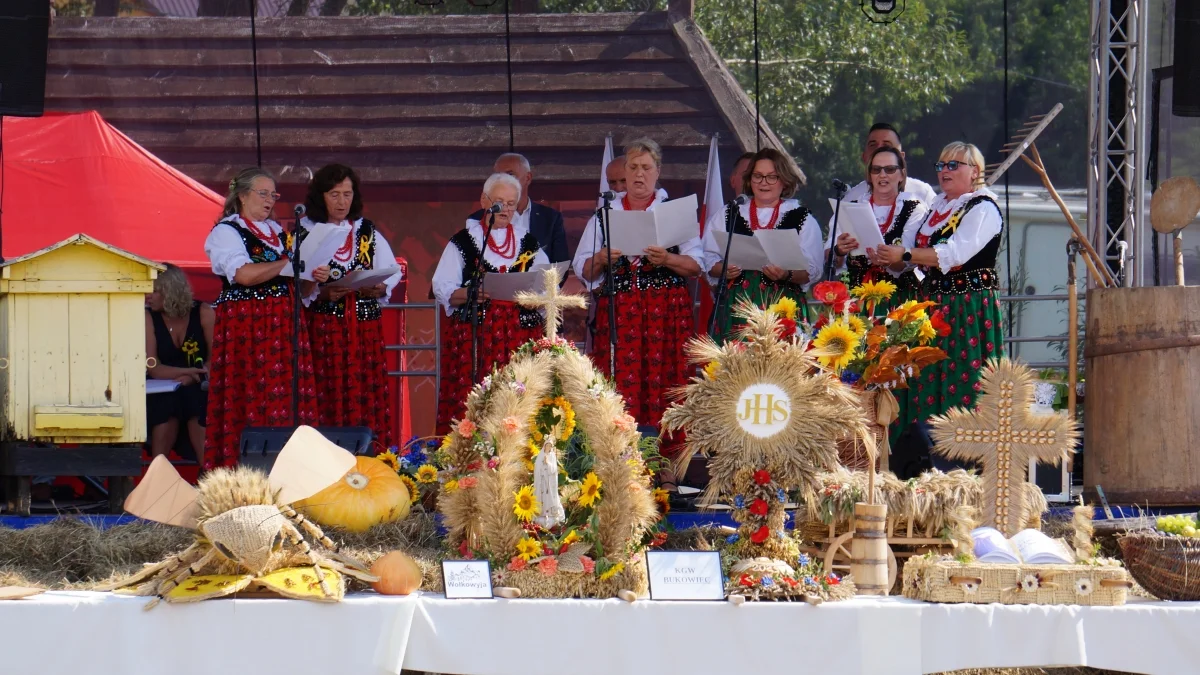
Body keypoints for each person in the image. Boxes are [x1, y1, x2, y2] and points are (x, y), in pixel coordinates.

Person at [869, 141, 1005, 427]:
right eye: (941, 165)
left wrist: (905, 254)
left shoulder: (983, 208)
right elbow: (913, 257)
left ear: (975, 171)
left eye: (954, 165)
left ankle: (960, 459)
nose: (945, 171)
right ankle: (920, 455)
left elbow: (954, 254)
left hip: (966, 306)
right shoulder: (937, 207)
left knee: (962, 378)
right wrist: (885, 256)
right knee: (925, 378)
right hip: (932, 305)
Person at [203, 167, 330, 469]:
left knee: (288, 397)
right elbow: (244, 275)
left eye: (274, 194)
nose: (270, 200)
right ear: (243, 196)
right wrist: (289, 262)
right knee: (251, 395)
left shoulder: (278, 234)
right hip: (249, 327)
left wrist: (313, 275)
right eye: (263, 193)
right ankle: (247, 471)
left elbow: (299, 287)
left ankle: (292, 471)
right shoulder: (226, 232)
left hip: (284, 326)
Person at [573, 138, 703, 427]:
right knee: (619, 380)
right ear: (625, 172)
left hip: (666, 312)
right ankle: (621, 457)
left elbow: (696, 266)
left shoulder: (674, 211)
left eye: (646, 167)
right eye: (633, 167)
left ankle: (667, 460)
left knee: (667, 379)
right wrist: (601, 258)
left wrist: (667, 259)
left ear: (658, 171)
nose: (639, 173)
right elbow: (584, 269)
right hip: (619, 315)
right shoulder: (605, 213)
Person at [433, 173, 549, 433]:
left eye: (511, 203)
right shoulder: (464, 241)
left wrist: (536, 299)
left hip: (520, 334)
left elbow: (546, 284)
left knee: (518, 402)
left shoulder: (528, 243)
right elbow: (443, 288)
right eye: (499, 202)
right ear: (484, 201)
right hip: (476, 336)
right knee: (475, 403)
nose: (505, 209)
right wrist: (471, 293)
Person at [301, 164, 403, 447]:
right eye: (334, 195)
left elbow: (392, 270)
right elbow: (295, 286)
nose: (342, 202)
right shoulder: (307, 232)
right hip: (325, 330)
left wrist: (378, 287)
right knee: (328, 394)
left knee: (367, 393)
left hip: (365, 330)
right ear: (320, 197)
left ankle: (370, 457)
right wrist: (323, 294)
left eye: (347, 194)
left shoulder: (365, 230)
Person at [704, 148, 823, 334]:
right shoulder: (730, 213)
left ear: (784, 181)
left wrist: (785, 274)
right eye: (758, 176)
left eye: (771, 177)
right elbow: (707, 258)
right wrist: (724, 269)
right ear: (749, 180)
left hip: (784, 309)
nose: (764, 182)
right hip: (737, 308)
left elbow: (812, 270)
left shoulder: (803, 219)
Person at [826, 146, 930, 309]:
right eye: (876, 169)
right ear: (870, 175)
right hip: (856, 298)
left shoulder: (914, 209)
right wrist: (839, 250)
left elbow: (907, 261)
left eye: (889, 169)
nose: (882, 175)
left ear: (901, 175)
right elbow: (830, 259)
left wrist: (887, 261)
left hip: (898, 299)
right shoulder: (850, 207)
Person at [145, 263, 214, 467]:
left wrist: (195, 377)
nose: (147, 296)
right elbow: (153, 366)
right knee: (168, 403)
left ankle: (207, 472)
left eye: (155, 291)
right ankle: (158, 473)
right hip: (163, 386)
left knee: (195, 401)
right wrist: (187, 374)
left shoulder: (203, 312)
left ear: (171, 291)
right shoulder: (148, 316)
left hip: (200, 384)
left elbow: (216, 358)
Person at [468, 153, 569, 264]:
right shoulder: (479, 218)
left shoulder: (551, 218)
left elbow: (560, 267)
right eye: (498, 176)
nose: (504, 181)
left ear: (528, 178)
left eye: (510, 175)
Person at [839, 123, 937, 206]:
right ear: (864, 157)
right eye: (873, 145)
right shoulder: (852, 199)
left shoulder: (923, 193)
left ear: (901, 158)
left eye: (887, 146)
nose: (879, 151)